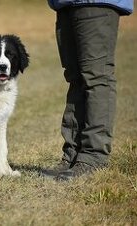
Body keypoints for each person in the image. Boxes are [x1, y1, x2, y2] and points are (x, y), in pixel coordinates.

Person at [42, 0, 134, 180]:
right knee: (75, 79)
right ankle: (72, 155)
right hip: (65, 4)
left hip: (96, 3)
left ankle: (94, 157)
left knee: (96, 78)